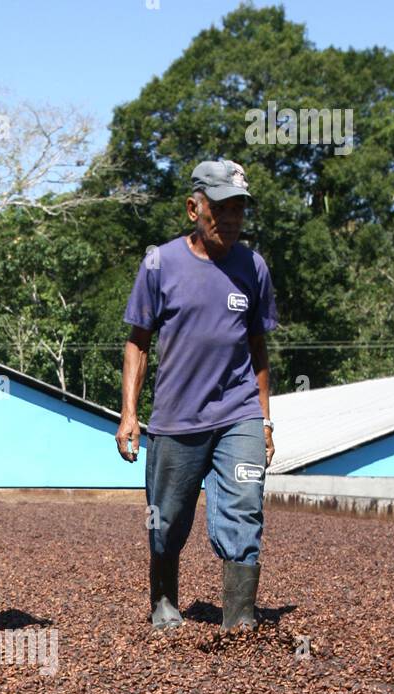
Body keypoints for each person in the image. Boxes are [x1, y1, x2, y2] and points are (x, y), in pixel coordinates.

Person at [116, 159, 279, 631]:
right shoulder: (160, 264)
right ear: (194, 208)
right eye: (221, 209)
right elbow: (137, 342)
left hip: (238, 412)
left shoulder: (254, 268)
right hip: (176, 418)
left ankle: (239, 618)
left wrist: (264, 420)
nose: (231, 220)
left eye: (239, 210)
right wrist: (129, 414)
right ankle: (164, 599)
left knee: (245, 505)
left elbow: (258, 350)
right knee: (165, 521)